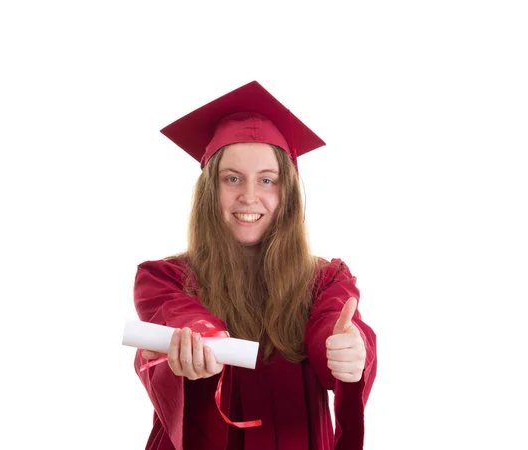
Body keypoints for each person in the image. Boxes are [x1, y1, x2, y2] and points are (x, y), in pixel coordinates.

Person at [131, 81, 377, 450]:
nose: (249, 196)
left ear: (288, 193)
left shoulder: (326, 280)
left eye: (267, 180)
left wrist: (346, 349)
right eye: (232, 179)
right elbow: (177, 315)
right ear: (210, 190)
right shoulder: (165, 278)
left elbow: (332, 325)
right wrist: (200, 338)